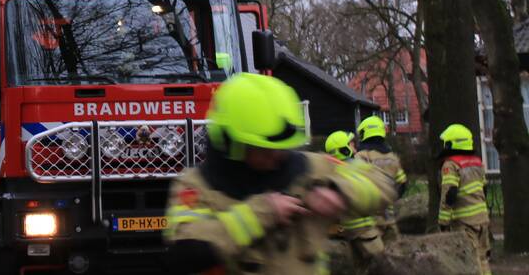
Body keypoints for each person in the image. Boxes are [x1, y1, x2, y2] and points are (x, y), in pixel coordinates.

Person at [164, 73, 395, 274]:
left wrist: (338, 191)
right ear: (231, 143)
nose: (279, 157)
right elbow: (185, 253)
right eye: (266, 150)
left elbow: (382, 182)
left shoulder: (312, 169)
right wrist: (261, 213)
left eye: (284, 147)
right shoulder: (196, 187)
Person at [325, 130, 383, 270]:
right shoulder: (357, 170)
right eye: (351, 144)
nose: (354, 147)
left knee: (360, 268)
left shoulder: (329, 172)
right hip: (365, 232)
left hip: (345, 232)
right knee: (382, 266)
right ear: (344, 150)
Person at [438, 123, 491, 275]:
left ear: (452, 143)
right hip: (482, 219)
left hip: (464, 222)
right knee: (482, 258)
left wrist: (443, 222)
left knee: (470, 261)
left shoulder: (451, 164)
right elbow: (484, 189)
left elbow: (449, 194)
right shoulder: (477, 162)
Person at [355, 115, 407, 242]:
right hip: (389, 216)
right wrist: (392, 198)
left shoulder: (361, 156)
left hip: (370, 217)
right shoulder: (392, 157)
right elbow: (403, 183)